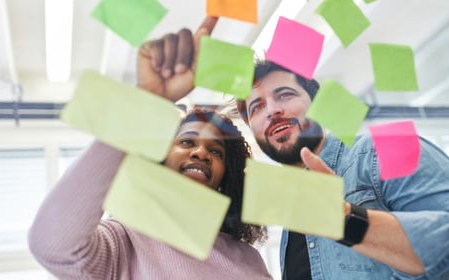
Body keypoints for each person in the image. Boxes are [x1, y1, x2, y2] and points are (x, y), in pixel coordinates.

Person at [137, 16, 449, 280]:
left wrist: (346, 219)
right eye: (257, 107)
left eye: (285, 94)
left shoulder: (383, 149)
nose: (271, 110)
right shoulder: (294, 218)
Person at [28, 109, 272, 278]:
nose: (201, 152)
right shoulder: (124, 239)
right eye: (187, 142)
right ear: (159, 159)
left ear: (225, 178)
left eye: (216, 152)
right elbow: (53, 245)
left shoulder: (247, 257)